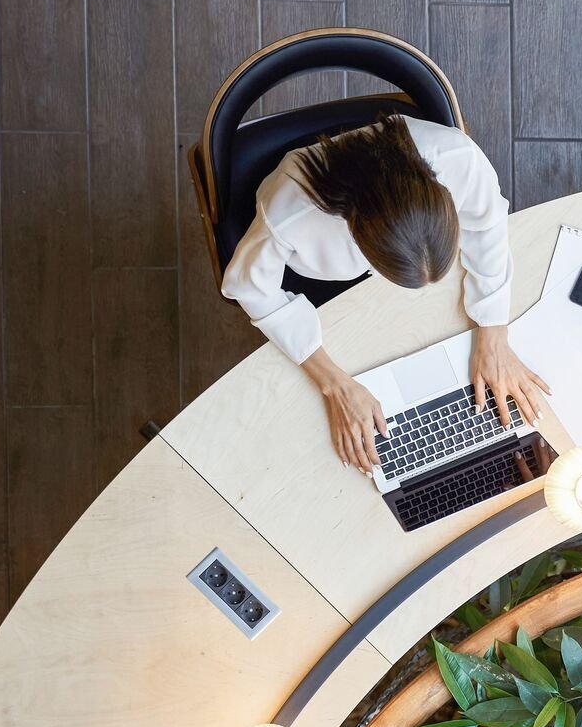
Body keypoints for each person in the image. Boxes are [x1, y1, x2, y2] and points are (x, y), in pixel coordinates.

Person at [223, 113, 548, 472]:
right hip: (322, 284)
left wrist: (493, 331)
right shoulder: (289, 214)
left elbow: (487, 225)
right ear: (356, 234)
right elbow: (249, 288)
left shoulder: (458, 157)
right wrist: (334, 385)